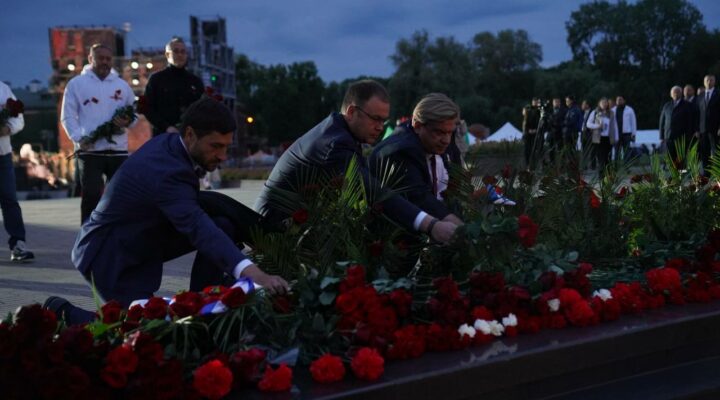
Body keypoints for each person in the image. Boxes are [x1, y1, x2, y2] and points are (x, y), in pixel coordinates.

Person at [46, 98, 288, 324]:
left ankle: (205, 306)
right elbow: (198, 227)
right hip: (110, 256)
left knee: (222, 223)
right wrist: (255, 274)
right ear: (190, 135)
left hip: (140, 237)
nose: (223, 156)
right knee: (139, 330)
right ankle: (61, 311)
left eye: (226, 147)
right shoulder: (166, 171)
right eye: (216, 146)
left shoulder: (173, 145)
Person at [255, 80, 457, 244]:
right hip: (276, 233)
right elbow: (373, 192)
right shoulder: (336, 144)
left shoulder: (339, 133)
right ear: (352, 112)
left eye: (384, 121)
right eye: (375, 119)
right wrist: (431, 225)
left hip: (293, 228)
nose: (380, 127)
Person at [61, 43, 135, 223]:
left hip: (118, 150)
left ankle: (117, 235)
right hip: (90, 151)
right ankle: (88, 236)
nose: (105, 62)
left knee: (120, 197)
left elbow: (134, 113)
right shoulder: (76, 84)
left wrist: (128, 121)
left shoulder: (122, 85)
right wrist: (79, 138)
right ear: (90, 59)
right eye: (100, 58)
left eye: (108, 59)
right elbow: (67, 116)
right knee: (91, 197)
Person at [0, 81, 34, 262]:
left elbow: (18, 118)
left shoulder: (2, 89)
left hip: (2, 155)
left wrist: (8, 128)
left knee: (9, 200)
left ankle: (18, 244)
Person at [144, 37, 205, 136]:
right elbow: (147, 108)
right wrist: (166, 127)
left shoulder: (195, 81)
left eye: (183, 52)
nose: (180, 55)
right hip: (163, 136)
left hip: (189, 137)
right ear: (167, 54)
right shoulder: (156, 79)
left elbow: (202, 109)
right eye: (176, 51)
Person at [659, 86, 695, 168]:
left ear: (681, 93)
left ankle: (682, 174)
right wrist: (661, 136)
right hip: (669, 137)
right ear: (671, 94)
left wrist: (689, 135)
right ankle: (673, 174)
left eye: (677, 92)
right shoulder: (667, 105)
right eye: (674, 92)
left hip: (682, 137)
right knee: (670, 158)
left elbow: (690, 121)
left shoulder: (687, 105)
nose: (675, 94)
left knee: (681, 158)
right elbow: (662, 121)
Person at [586, 97, 618, 175]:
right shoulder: (595, 112)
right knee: (601, 158)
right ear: (599, 104)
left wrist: (616, 137)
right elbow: (588, 124)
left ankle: (608, 176)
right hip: (599, 139)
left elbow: (615, 125)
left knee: (608, 158)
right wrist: (597, 126)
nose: (604, 104)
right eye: (602, 103)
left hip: (608, 138)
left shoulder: (611, 113)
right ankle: (601, 176)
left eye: (606, 102)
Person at [698, 75, 720, 175]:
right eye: (707, 80)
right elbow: (697, 113)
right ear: (704, 82)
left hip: (715, 129)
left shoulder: (718, 94)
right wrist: (697, 129)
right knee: (704, 153)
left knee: (716, 152)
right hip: (702, 130)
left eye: (711, 80)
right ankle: (706, 176)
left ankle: (717, 174)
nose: (709, 82)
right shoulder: (700, 96)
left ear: (714, 81)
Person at [612, 96, 637, 161]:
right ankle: (616, 166)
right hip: (616, 134)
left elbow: (633, 122)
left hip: (627, 134)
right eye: (617, 100)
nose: (619, 101)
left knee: (626, 151)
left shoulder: (629, 110)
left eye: (620, 99)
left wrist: (633, 134)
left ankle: (626, 166)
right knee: (616, 151)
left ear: (624, 101)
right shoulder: (612, 110)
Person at [522, 98, 541, 168]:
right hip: (527, 133)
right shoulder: (528, 110)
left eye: (536, 102)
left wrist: (536, 130)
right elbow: (525, 124)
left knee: (534, 150)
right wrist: (528, 130)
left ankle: (533, 165)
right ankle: (528, 165)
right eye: (534, 102)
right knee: (527, 150)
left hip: (535, 133)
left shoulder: (538, 111)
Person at [580, 100, 596, 169]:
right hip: (583, 133)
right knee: (584, 150)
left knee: (592, 150)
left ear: (587, 105)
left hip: (590, 133)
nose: (582, 106)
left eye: (583, 104)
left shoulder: (593, 112)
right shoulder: (581, 112)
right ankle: (584, 165)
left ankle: (593, 165)